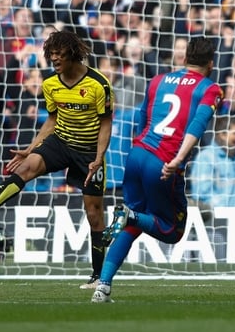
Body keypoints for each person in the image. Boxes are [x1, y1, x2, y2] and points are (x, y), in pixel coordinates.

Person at [0, 30, 113, 290]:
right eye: (52, 55)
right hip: (60, 141)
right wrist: (32, 147)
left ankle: (98, 276)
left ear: (72, 53)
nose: (54, 59)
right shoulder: (50, 84)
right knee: (25, 166)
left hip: (89, 150)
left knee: (94, 214)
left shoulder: (97, 84)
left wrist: (99, 156)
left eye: (59, 54)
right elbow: (52, 119)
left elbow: (105, 123)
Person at [91, 36, 223, 303]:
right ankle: (130, 218)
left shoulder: (157, 81)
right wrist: (178, 159)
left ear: (184, 58)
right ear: (211, 63)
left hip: (137, 155)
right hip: (163, 162)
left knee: (133, 220)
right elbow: (196, 125)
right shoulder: (210, 88)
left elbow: (142, 117)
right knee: (172, 230)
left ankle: (102, 286)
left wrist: (142, 149)